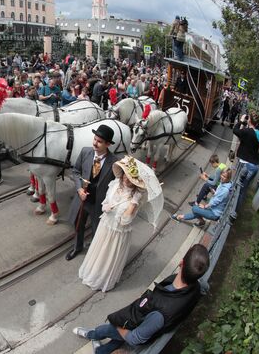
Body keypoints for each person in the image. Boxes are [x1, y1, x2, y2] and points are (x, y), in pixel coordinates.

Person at [73, 244, 210, 354]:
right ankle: (101, 351)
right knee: (117, 339)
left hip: (138, 324)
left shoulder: (160, 314)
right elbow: (205, 287)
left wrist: (118, 324)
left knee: (104, 330)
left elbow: (135, 338)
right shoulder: (196, 287)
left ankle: (92, 335)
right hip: (144, 316)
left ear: (181, 263)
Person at [79, 157, 151, 292]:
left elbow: (125, 221)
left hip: (118, 232)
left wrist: (134, 202)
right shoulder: (114, 184)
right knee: (98, 251)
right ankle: (92, 273)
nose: (126, 179)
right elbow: (105, 201)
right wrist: (106, 206)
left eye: (131, 179)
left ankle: (102, 278)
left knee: (108, 256)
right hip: (105, 226)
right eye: (125, 175)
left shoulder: (136, 198)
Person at [66, 124, 118, 261]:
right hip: (82, 200)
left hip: (98, 203)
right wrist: (79, 189)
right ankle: (77, 247)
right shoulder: (85, 152)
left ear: (107, 144)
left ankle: (94, 253)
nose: (95, 143)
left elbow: (116, 184)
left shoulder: (114, 162)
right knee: (78, 224)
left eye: (99, 141)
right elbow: (76, 171)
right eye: (95, 139)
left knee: (97, 230)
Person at [233, 113, 259, 208]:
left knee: (236, 187)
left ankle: (232, 209)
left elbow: (235, 130)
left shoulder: (246, 132)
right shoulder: (258, 133)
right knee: (243, 190)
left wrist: (241, 120)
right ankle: (235, 212)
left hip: (245, 163)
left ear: (249, 120)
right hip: (254, 165)